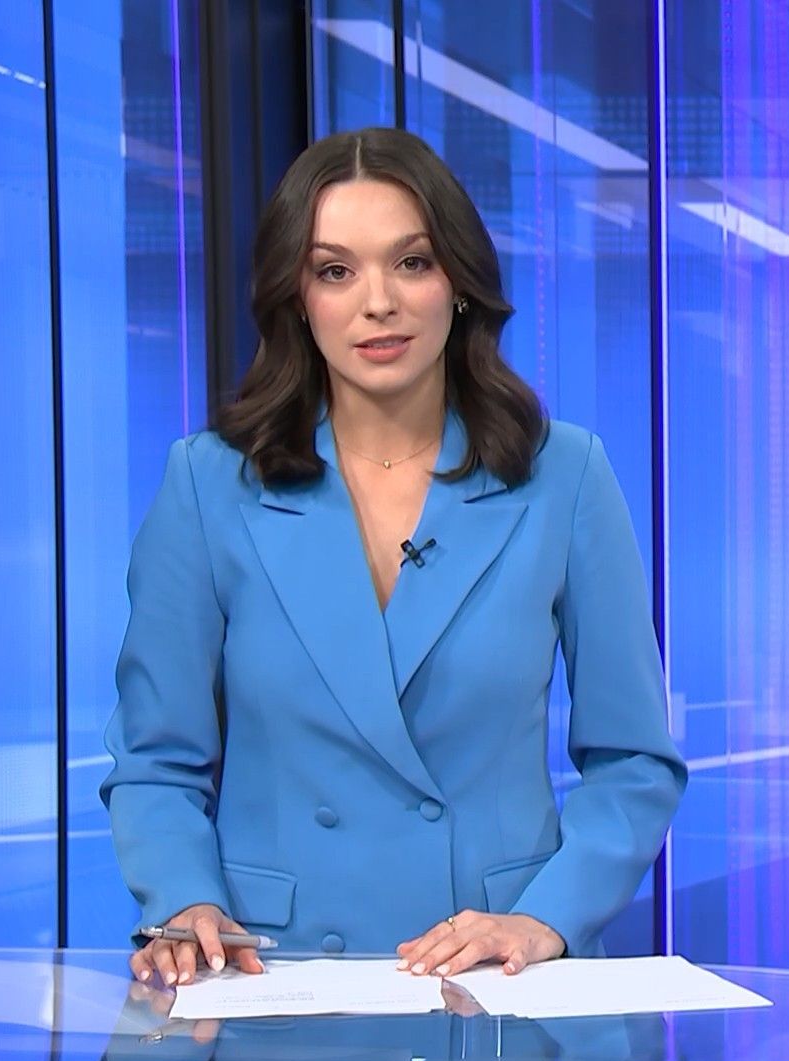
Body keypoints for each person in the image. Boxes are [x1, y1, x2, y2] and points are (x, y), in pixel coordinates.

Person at [100, 126, 686, 988]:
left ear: (459, 284)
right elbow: (157, 759)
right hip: (278, 977)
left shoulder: (562, 476)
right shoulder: (210, 484)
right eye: (335, 271)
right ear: (298, 298)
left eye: (411, 263)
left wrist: (544, 920)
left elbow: (634, 760)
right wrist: (185, 903)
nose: (378, 302)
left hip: (494, 978)